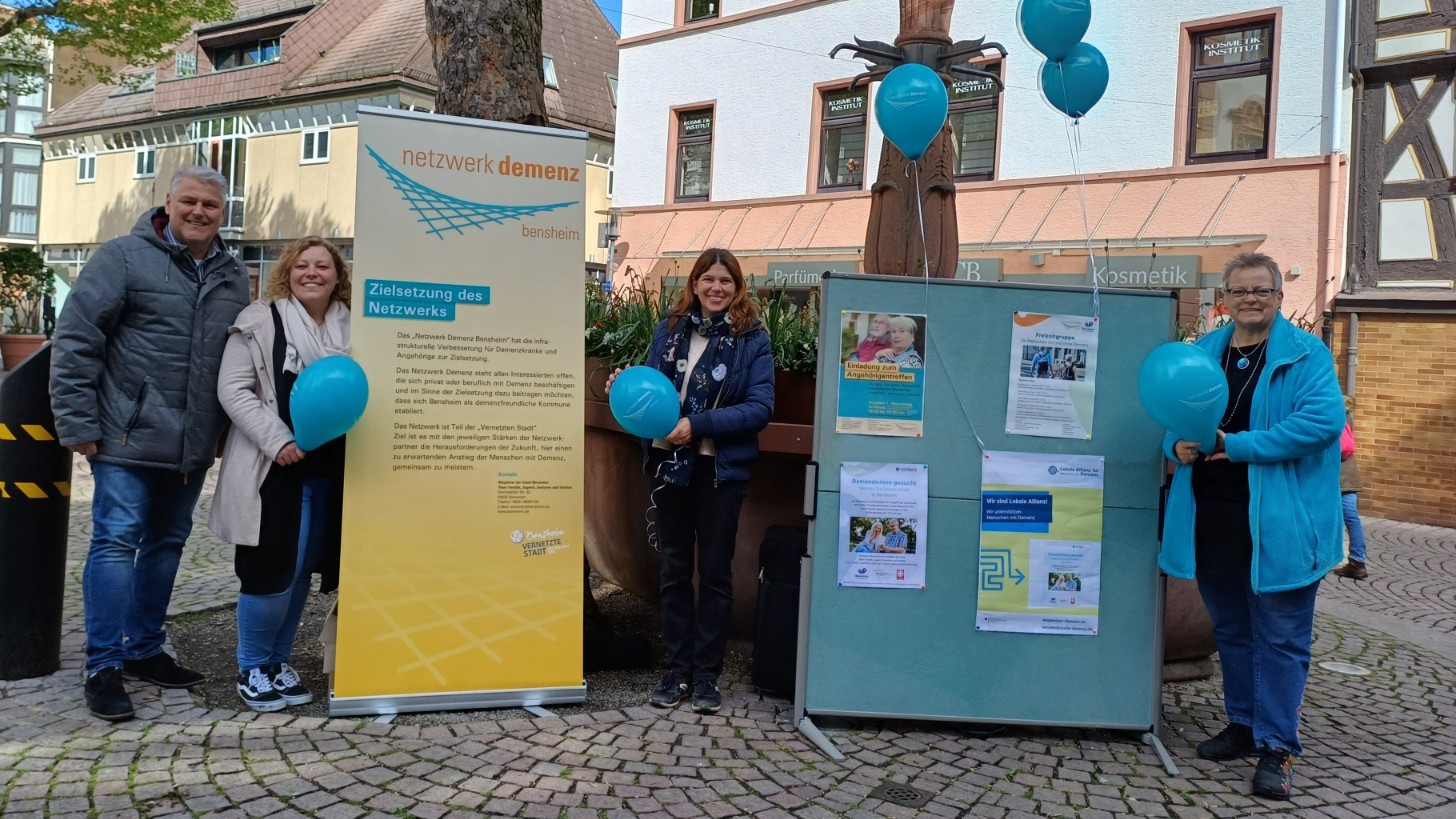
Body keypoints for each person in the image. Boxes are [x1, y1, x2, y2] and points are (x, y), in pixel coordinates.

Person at [50, 166, 251, 721]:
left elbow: (237, 363)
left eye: (210, 204)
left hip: (190, 445)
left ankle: (142, 650)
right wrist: (77, 424)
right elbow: (76, 340)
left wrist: (222, 432)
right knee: (116, 541)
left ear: (223, 211)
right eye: (189, 201)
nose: (199, 212)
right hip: (125, 435)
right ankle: (103, 664)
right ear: (167, 202)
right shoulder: (123, 257)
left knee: (166, 545)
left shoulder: (233, 274)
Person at [1162, 252, 1344, 801]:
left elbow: (1320, 423)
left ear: (1278, 297)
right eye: (1240, 291)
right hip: (1215, 519)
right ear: (1225, 300)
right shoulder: (1203, 354)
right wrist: (1175, 444)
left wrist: (1232, 445)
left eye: (1261, 291)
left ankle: (1278, 746)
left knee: (1282, 639)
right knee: (1233, 633)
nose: (1250, 300)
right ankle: (1243, 725)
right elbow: (1169, 419)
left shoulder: (1306, 356)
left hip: (1282, 524)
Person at [605, 248, 773, 715]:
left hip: (718, 472)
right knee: (674, 574)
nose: (716, 288)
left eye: (725, 281)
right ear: (694, 283)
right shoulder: (670, 331)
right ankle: (676, 670)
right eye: (708, 279)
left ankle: (706, 677)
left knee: (715, 576)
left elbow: (760, 408)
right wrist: (624, 384)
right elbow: (650, 391)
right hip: (669, 468)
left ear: (737, 286)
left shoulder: (752, 339)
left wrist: (698, 425)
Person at [209, 236, 352, 712]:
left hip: (329, 470)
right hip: (274, 468)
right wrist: (279, 440)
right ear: (287, 272)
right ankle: (252, 666)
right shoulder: (260, 319)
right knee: (270, 570)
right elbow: (233, 389)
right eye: (302, 265)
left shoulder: (354, 327)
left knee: (300, 574)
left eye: (323, 266)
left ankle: (278, 661)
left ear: (338, 276)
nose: (312, 273)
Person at [1332, 395, 1369, 580]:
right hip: (1350, 474)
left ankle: (1326, 559)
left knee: (1326, 517)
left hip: (1334, 474)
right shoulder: (1347, 415)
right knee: (1351, 518)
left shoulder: (1330, 413)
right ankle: (1357, 561)